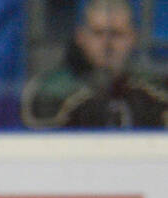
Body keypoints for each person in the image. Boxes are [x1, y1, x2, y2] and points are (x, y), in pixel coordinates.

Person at [23, 0, 168, 128]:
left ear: (132, 38)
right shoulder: (52, 89)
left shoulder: (152, 89)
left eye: (117, 34)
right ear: (81, 37)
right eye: (98, 33)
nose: (107, 44)